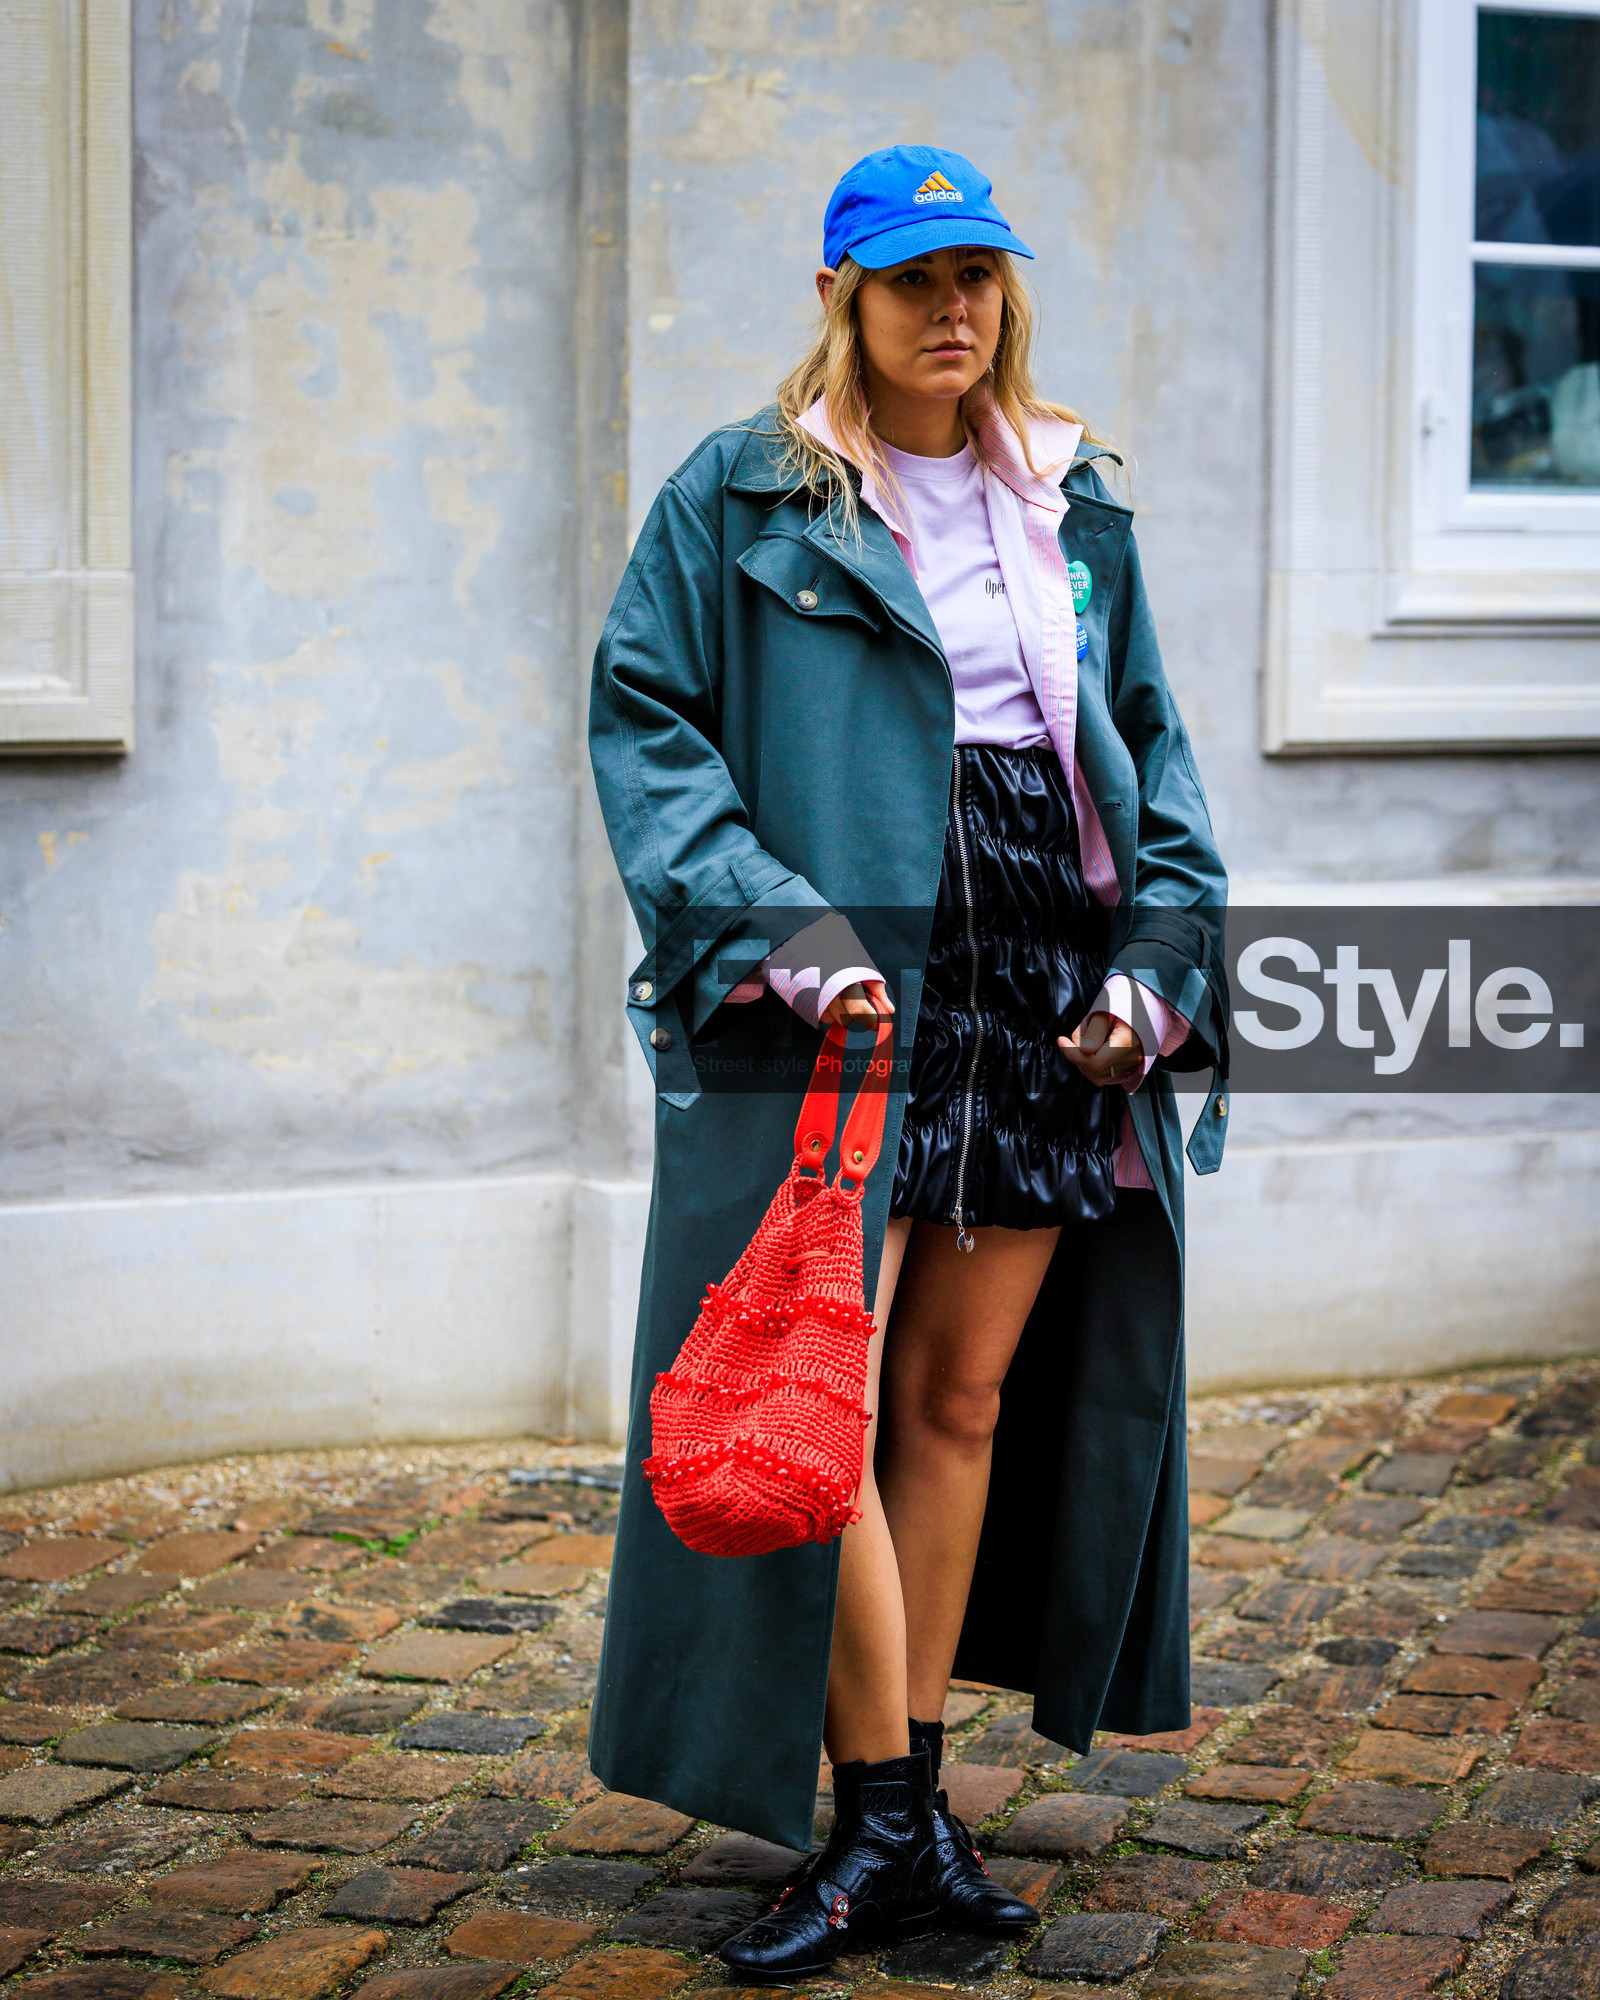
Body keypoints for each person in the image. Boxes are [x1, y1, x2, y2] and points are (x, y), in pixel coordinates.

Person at [586, 144, 1230, 1981]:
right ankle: (878, 1820)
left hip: (1041, 966)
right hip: (848, 967)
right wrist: (782, 934)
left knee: (955, 1403)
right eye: (914, 279)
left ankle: (915, 1808)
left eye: (982, 278)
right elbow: (647, 723)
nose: (957, 309)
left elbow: (1156, 765)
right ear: (841, 299)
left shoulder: (1076, 500)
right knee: (824, 1401)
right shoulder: (747, 493)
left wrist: (1165, 971)